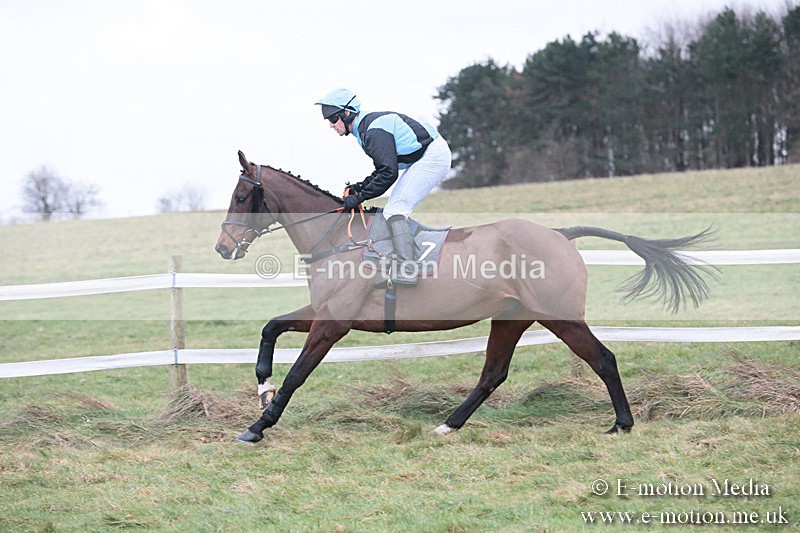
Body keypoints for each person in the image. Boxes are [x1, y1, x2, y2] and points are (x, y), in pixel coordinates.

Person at [315, 87, 452, 285]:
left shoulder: (372, 131)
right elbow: (383, 169)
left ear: (347, 113)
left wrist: (360, 197)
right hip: (423, 156)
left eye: (332, 119)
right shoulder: (364, 130)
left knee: (395, 209)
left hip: (433, 156)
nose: (331, 125)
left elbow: (388, 173)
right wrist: (360, 187)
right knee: (393, 209)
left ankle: (408, 269)